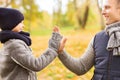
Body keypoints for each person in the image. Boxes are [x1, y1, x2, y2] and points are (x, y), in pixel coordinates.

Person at [51, 0, 120, 80]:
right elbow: (81, 67)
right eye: (103, 8)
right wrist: (61, 51)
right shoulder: (98, 38)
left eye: (107, 8)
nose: (103, 12)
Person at [0, 7, 62, 80]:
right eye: (20, 22)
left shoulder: (11, 42)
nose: (23, 25)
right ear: (11, 23)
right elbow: (36, 65)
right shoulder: (14, 45)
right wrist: (53, 48)